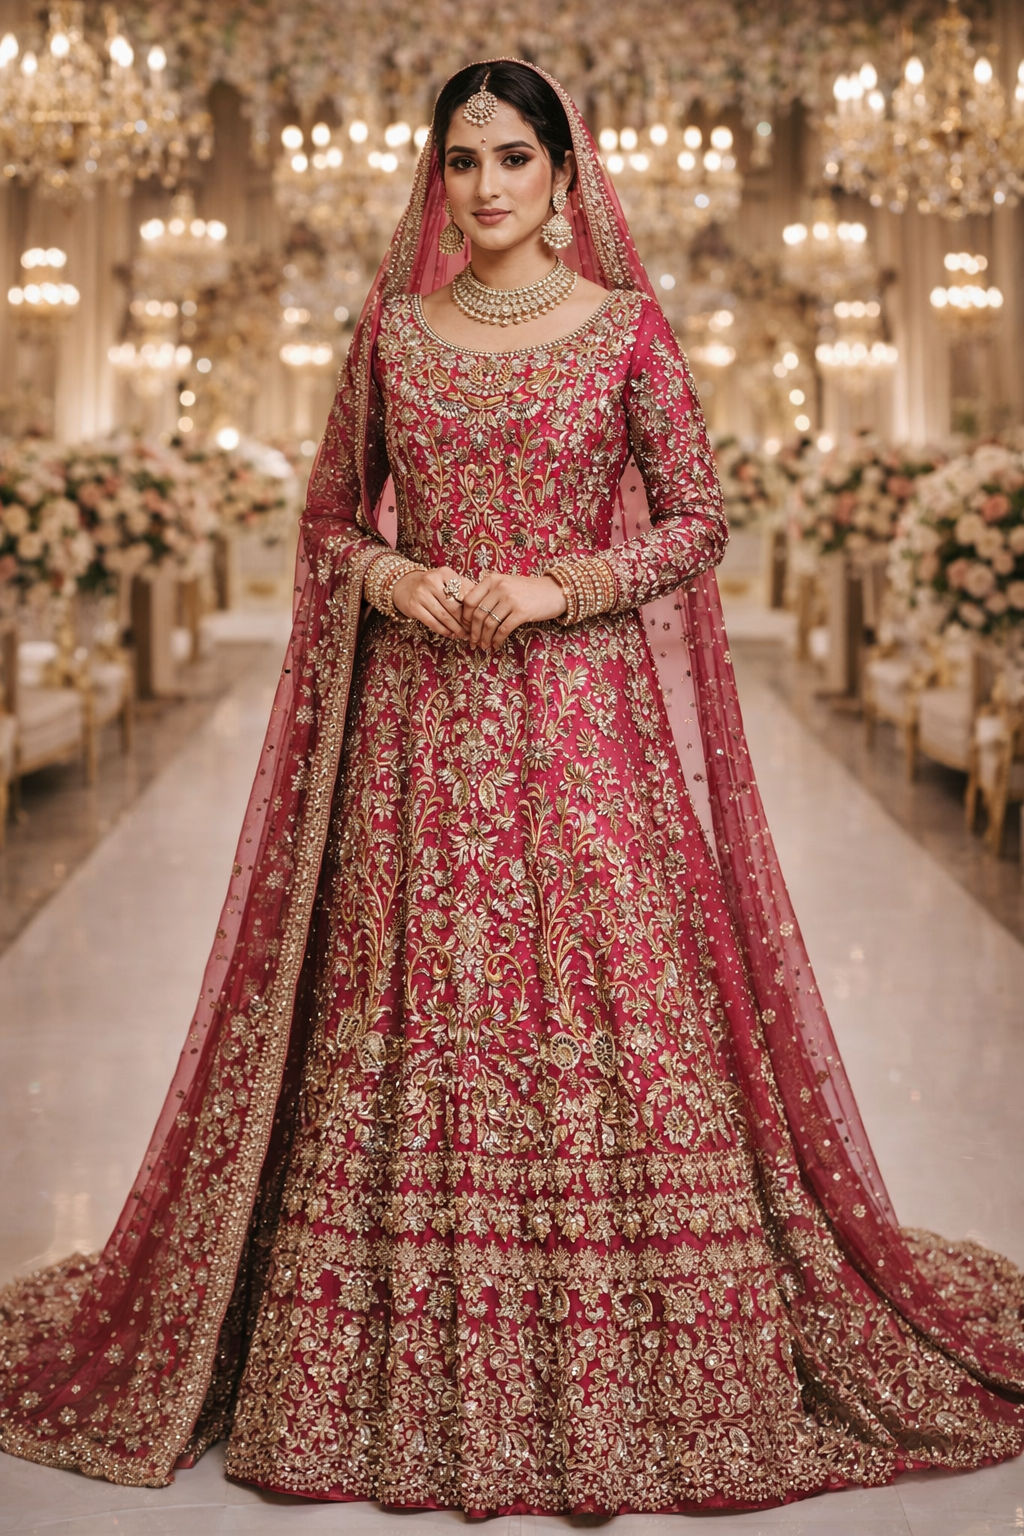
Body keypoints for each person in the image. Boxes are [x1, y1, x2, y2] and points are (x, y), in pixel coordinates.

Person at [1, 58, 1022, 1519]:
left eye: (512, 159)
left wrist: (561, 584)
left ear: (564, 173)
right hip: (415, 737)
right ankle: (376, 1353)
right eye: (461, 160)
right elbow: (330, 523)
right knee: (407, 997)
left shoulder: (625, 329)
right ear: (440, 178)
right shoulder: (395, 337)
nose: (484, 187)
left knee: (601, 999)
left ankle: (638, 1348)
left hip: (585, 728)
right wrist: (403, 574)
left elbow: (700, 519)